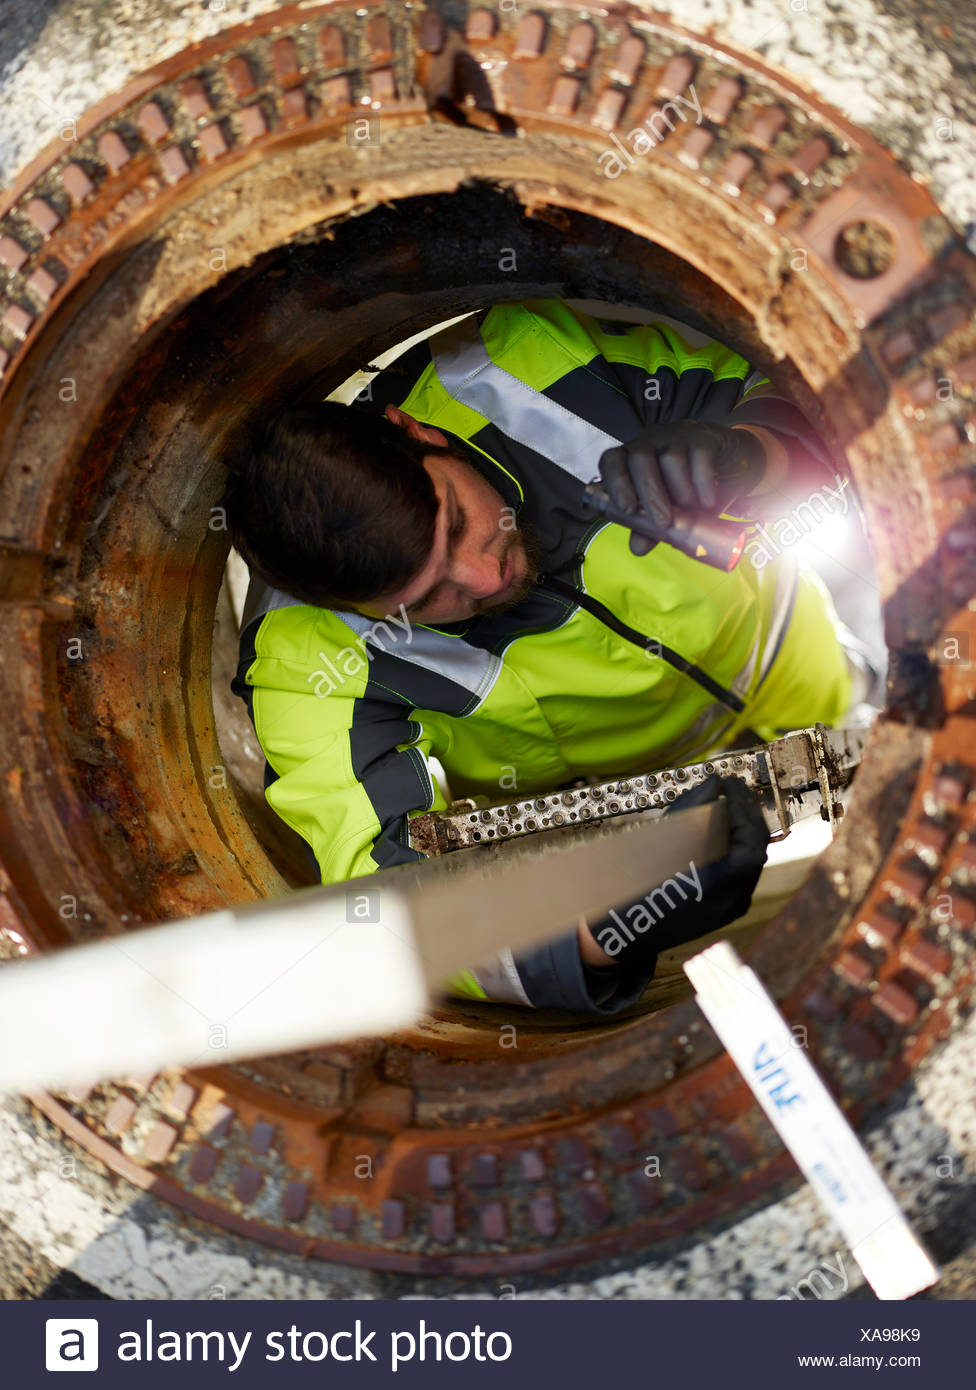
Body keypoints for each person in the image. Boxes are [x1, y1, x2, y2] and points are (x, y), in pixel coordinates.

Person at [222, 298, 878, 1016]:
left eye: (460, 525)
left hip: (789, 642)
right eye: (424, 596)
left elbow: (821, 390)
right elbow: (385, 901)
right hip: (652, 805)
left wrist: (751, 452)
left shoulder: (528, 367)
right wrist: (600, 928)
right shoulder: (303, 667)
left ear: (414, 431)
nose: (483, 577)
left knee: (876, 727)